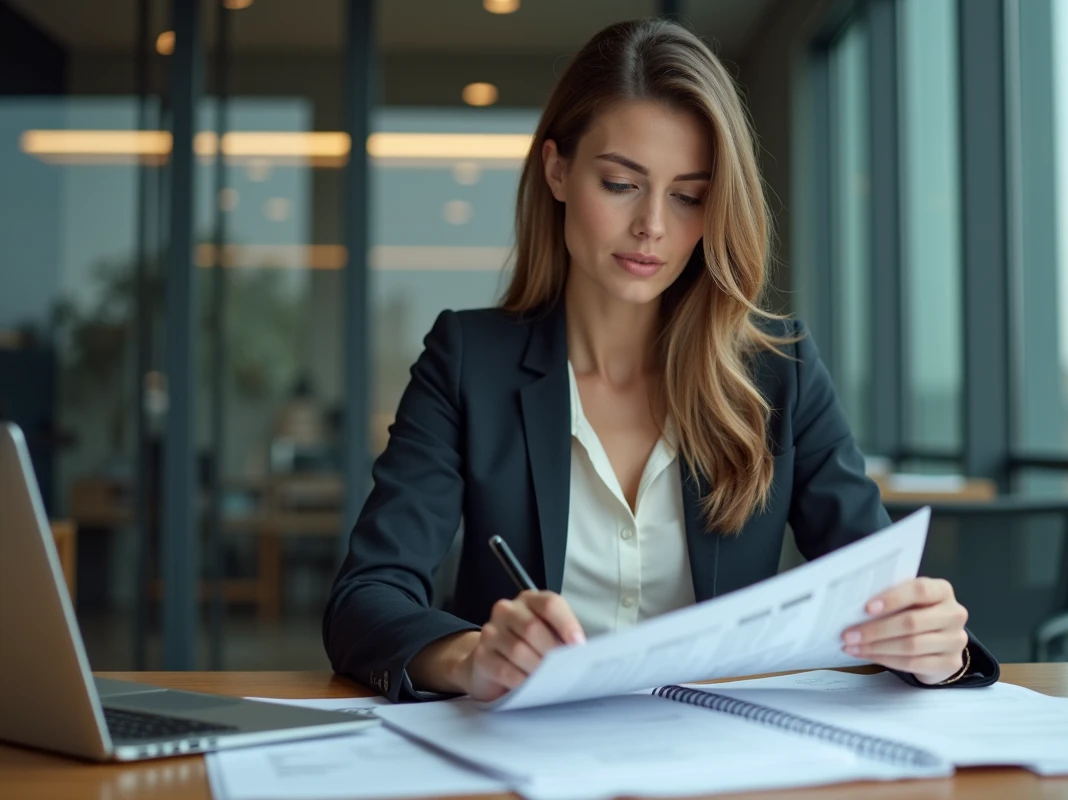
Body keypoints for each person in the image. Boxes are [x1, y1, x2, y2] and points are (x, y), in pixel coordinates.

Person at [324, 17, 998, 703]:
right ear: (557, 170)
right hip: (527, 755)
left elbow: (884, 597)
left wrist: (935, 649)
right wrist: (471, 657)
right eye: (621, 184)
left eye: (688, 196)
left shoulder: (779, 372)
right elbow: (367, 597)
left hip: (722, 756)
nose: (652, 225)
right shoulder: (468, 362)